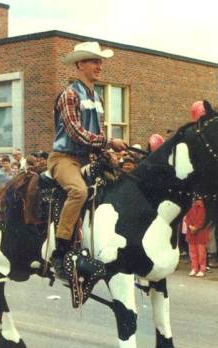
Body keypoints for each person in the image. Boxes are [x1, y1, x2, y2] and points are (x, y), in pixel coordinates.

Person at [47, 41, 126, 278]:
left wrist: (108, 153)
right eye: (94, 61)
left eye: (100, 61)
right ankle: (60, 251)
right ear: (80, 64)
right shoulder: (70, 95)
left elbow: (97, 134)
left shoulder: (97, 97)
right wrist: (108, 142)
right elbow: (76, 132)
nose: (100, 66)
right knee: (78, 192)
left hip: (88, 158)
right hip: (65, 158)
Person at [185, 195, 210, 277]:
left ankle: (202, 269)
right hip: (191, 234)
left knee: (201, 253)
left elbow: (204, 221)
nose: (198, 201)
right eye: (197, 199)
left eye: (200, 199)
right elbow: (187, 218)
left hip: (200, 233)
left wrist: (196, 227)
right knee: (192, 252)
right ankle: (194, 268)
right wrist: (190, 226)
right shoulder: (192, 208)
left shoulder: (205, 209)